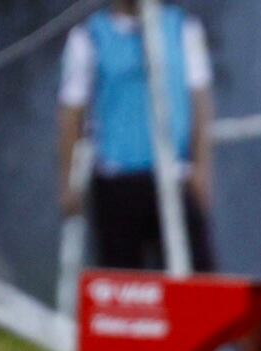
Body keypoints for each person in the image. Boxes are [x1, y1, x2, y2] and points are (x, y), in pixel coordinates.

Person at [58, 0, 217, 271]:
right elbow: (71, 113)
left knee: (195, 277)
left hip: (175, 176)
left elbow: (200, 103)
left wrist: (202, 169)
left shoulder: (183, 28)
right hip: (117, 180)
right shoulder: (88, 36)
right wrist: (67, 181)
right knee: (124, 280)